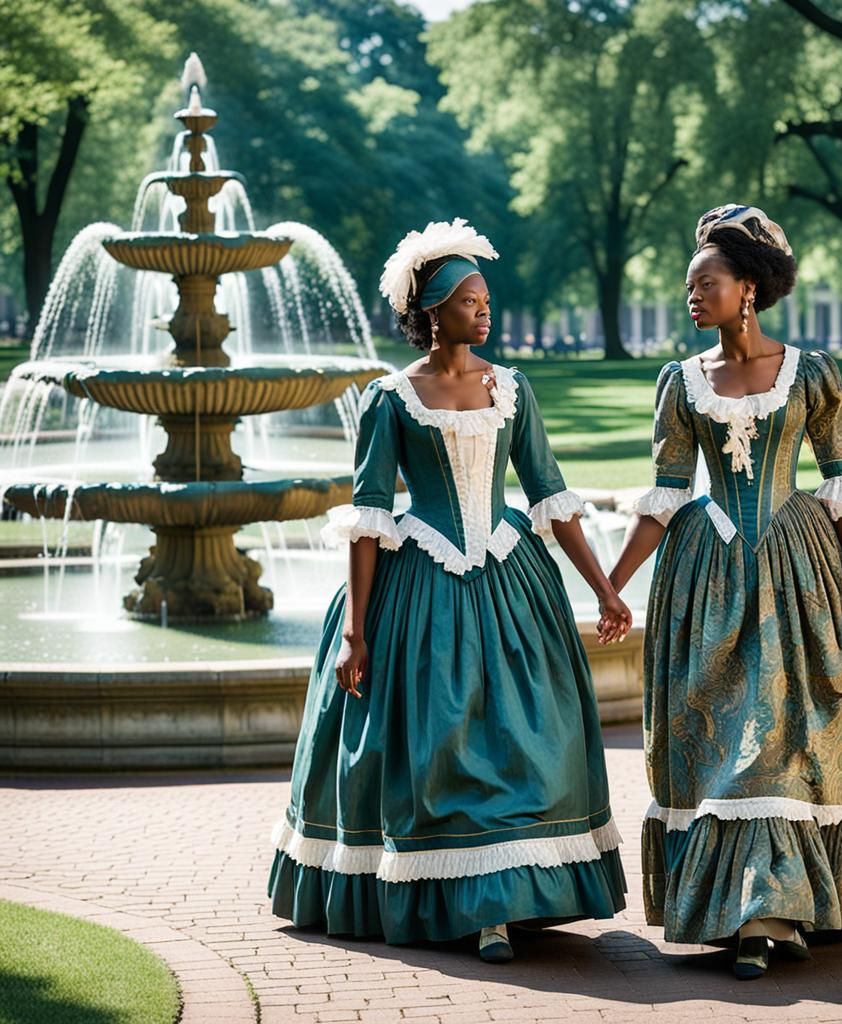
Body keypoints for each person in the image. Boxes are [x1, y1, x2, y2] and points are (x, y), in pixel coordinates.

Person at [269, 218, 631, 963]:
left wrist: (603, 588)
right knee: (441, 746)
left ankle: (512, 898)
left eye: (485, 299)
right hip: (420, 589)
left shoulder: (514, 388)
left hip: (510, 582)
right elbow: (368, 519)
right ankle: (473, 906)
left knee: (531, 741)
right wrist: (355, 632)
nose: (484, 311)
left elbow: (550, 497)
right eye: (470, 301)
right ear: (431, 313)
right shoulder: (390, 398)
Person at [604, 205, 842, 979]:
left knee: (787, 739)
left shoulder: (814, 371)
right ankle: (755, 909)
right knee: (726, 742)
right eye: (689, 286)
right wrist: (612, 587)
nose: (693, 296)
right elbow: (662, 499)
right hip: (707, 579)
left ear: (748, 289)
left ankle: (772, 912)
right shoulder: (680, 383)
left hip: (801, 572)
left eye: (707, 283)